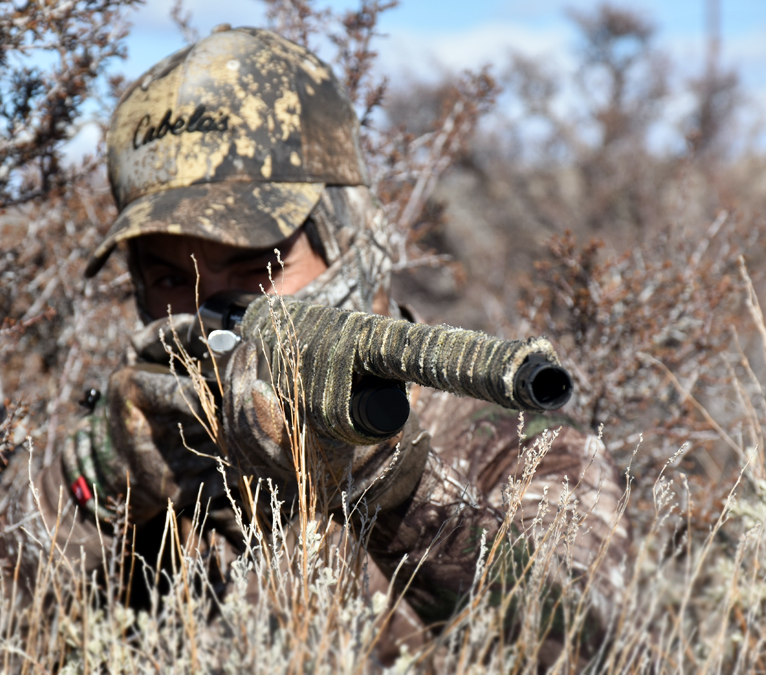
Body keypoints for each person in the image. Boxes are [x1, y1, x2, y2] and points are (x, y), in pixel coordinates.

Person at [33, 25, 630, 662]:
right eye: (171, 278)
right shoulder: (129, 426)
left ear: (350, 238)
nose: (212, 308)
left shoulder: (511, 444)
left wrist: (378, 475)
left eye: (259, 265)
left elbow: (570, 642)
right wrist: (98, 487)